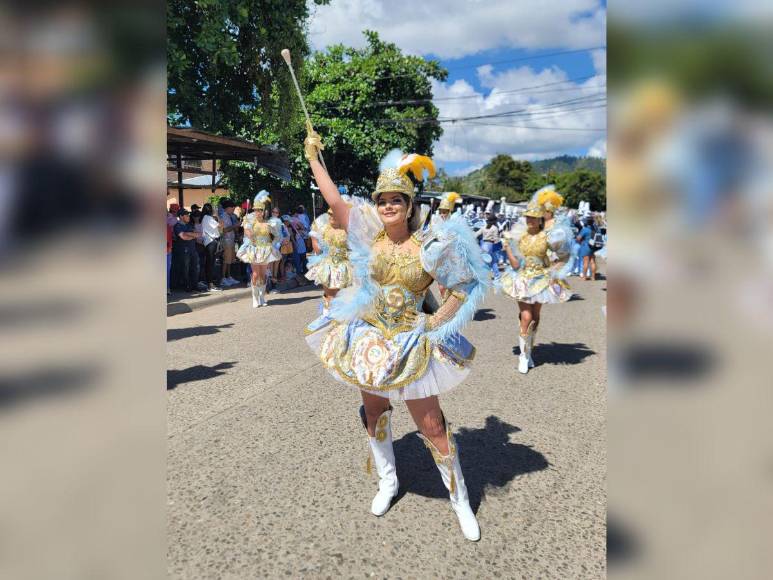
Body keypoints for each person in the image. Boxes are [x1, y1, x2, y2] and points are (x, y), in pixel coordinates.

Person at [304, 130, 488, 542]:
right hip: (368, 339)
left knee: (432, 425)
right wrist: (314, 157)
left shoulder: (429, 244)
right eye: (383, 199)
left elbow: (462, 286)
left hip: (411, 343)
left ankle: (459, 499)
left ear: (408, 206)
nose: (388, 206)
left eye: (396, 200)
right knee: (374, 414)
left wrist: (434, 321)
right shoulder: (368, 236)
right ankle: (388, 482)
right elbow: (334, 200)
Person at [500, 200, 572, 374]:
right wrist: (508, 248)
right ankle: (523, 357)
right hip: (522, 279)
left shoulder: (547, 236)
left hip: (541, 281)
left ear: (540, 219)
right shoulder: (519, 236)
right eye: (528, 217)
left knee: (536, 317)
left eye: (534, 217)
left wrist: (554, 270)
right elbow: (516, 265)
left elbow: (564, 255)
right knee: (527, 316)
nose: (530, 220)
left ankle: (529, 351)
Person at [237, 191, 281, 307]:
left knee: (263, 275)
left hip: (265, 250)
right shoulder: (249, 221)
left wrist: (273, 244)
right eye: (256, 210)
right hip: (254, 250)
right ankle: (254, 298)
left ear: (263, 211)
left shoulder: (268, 223)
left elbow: (277, 235)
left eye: (260, 210)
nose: (258, 212)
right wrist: (248, 229)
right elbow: (247, 233)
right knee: (256, 274)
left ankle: (262, 296)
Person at [307, 205, 353, 314]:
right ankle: (327, 314)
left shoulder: (348, 229)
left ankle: (340, 317)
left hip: (345, 265)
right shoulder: (322, 227)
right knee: (330, 294)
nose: (331, 216)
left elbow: (356, 247)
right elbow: (316, 245)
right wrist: (317, 245)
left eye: (335, 214)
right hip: (327, 264)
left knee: (343, 294)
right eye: (330, 214)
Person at [172, 209, 200, 292]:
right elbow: (183, 237)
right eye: (186, 215)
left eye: (188, 215)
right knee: (185, 268)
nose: (188, 216)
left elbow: (198, 234)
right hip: (184, 250)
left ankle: (195, 285)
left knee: (195, 268)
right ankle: (187, 286)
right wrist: (192, 235)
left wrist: (187, 234)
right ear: (181, 216)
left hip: (193, 250)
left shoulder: (190, 225)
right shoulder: (177, 226)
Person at [201, 203, 223, 292]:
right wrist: (217, 215)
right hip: (211, 242)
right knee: (210, 264)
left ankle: (210, 284)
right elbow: (221, 225)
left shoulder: (205, 218)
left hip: (209, 242)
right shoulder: (209, 218)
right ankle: (210, 285)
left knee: (209, 264)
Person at [219, 199, 240, 287]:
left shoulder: (229, 215)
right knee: (225, 260)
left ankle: (229, 276)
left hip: (231, 241)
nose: (233, 210)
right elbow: (224, 230)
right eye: (232, 208)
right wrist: (235, 225)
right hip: (226, 241)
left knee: (230, 260)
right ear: (227, 208)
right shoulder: (223, 216)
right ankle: (223, 278)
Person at [475, 212, 501, 280]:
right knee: (493, 261)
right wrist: (499, 246)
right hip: (490, 245)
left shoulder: (484, 227)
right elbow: (496, 239)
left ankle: (483, 276)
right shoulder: (494, 228)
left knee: (484, 261)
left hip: (483, 245)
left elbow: (476, 234)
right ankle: (497, 275)